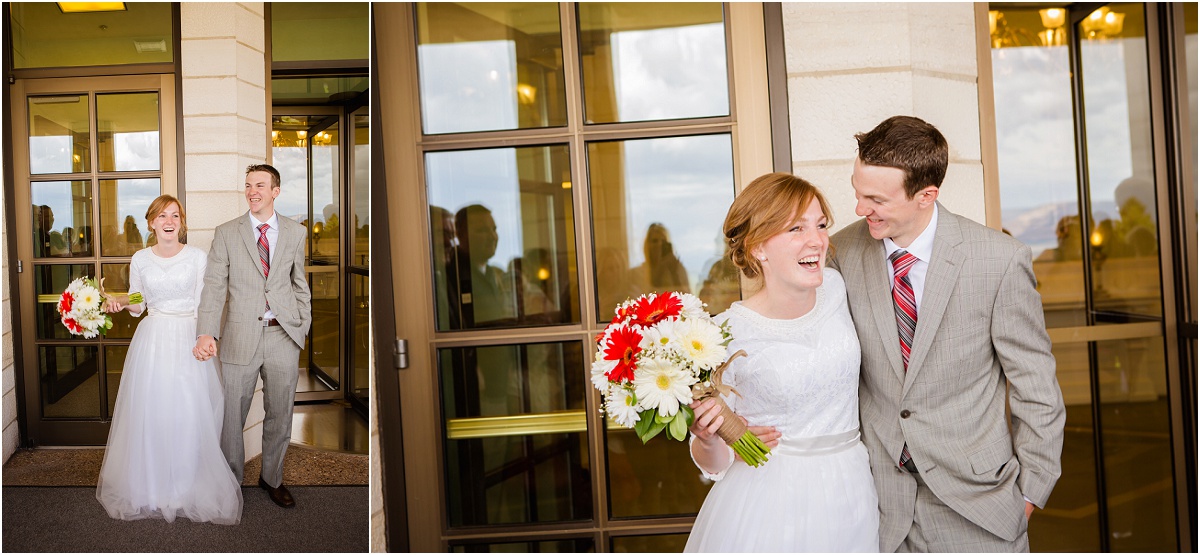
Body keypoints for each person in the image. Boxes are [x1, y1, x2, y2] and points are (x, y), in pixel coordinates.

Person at [830, 115, 1065, 552]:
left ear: (927, 195)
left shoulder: (1000, 260)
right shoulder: (839, 253)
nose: (861, 209)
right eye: (857, 192)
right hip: (880, 506)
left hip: (980, 505)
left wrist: (1030, 491)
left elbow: (1037, 388)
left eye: (876, 199)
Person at [685, 173, 880, 552]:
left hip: (852, 486)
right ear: (758, 247)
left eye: (821, 225)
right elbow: (715, 461)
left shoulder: (838, 289)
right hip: (771, 498)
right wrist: (710, 437)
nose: (818, 240)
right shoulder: (725, 333)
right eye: (796, 228)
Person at [96, 194, 243, 525]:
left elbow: (205, 302)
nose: (169, 222)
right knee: (153, 410)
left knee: (187, 411)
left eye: (175, 216)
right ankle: (152, 485)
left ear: (181, 222)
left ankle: (185, 484)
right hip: (152, 339)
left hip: (187, 337)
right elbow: (139, 303)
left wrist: (204, 338)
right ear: (151, 223)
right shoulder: (140, 259)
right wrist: (120, 301)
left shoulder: (196, 257)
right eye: (162, 216)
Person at [194, 164, 312, 509]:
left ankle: (272, 478)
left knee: (280, 413)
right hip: (239, 337)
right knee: (232, 416)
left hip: (282, 338)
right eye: (248, 185)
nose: (252, 191)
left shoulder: (295, 232)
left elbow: (299, 284)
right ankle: (230, 482)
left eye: (260, 185)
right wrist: (207, 332)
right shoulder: (228, 232)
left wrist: (301, 327)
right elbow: (214, 287)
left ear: (276, 191)